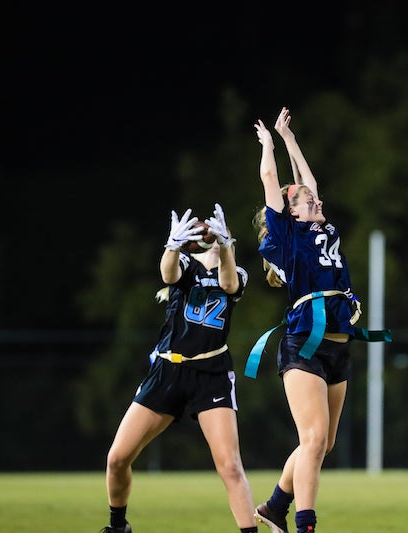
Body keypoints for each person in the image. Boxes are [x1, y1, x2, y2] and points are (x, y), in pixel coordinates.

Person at [101, 204, 259, 533]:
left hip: (211, 372)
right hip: (168, 370)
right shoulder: (185, 264)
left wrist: (226, 247)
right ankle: (118, 527)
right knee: (117, 458)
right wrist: (172, 246)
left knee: (230, 466)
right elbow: (168, 274)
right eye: (208, 234)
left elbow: (229, 285)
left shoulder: (236, 271)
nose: (211, 237)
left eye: (218, 234)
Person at [250, 107, 361, 533]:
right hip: (304, 343)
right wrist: (269, 145)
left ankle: (276, 506)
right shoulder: (290, 235)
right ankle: (306, 525)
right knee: (314, 440)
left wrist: (290, 136)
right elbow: (270, 183)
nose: (314, 198)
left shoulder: (323, 228)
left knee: (323, 442)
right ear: (291, 213)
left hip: (337, 344)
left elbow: (308, 182)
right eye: (303, 199)